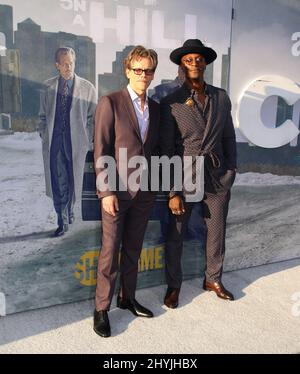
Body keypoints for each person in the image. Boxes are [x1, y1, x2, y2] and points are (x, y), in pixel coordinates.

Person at [160, 39, 237, 308]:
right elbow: (167, 150)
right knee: (176, 235)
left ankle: (212, 278)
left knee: (216, 232)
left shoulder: (220, 97)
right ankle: (174, 286)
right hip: (185, 176)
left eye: (199, 59)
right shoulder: (172, 102)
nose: (194, 63)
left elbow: (228, 137)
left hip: (217, 176)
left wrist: (231, 171)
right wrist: (173, 191)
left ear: (205, 63)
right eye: (189, 59)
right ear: (182, 64)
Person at [93, 46, 160, 338]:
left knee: (133, 249)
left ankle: (127, 297)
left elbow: (154, 150)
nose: (143, 75)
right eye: (138, 70)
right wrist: (106, 191)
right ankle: (101, 308)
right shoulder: (111, 102)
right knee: (109, 252)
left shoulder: (156, 109)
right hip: (116, 194)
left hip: (144, 194)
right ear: (127, 70)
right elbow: (101, 149)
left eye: (148, 71)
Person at [39, 47, 97, 237]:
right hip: (55, 143)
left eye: (71, 63)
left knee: (73, 181)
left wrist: (88, 140)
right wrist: (44, 134)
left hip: (77, 144)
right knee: (59, 181)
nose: (68, 67)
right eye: (64, 64)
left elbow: (92, 119)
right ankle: (62, 220)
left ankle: (69, 210)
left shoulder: (87, 88)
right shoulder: (48, 87)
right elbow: (42, 116)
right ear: (57, 65)